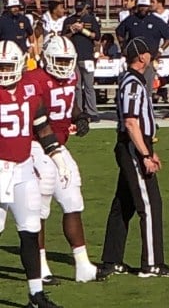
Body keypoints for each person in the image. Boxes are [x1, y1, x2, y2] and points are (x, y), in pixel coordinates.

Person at [0, 39, 73, 308]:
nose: (4, 71)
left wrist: (57, 157)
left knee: (30, 230)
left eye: (8, 66)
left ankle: (35, 294)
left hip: (22, 167)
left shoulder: (30, 90)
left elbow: (42, 127)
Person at [100, 37, 169, 278]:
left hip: (134, 145)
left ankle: (112, 260)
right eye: (148, 54)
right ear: (142, 57)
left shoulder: (131, 80)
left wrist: (150, 148)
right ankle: (152, 263)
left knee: (123, 204)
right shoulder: (133, 83)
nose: (151, 57)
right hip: (132, 148)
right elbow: (132, 122)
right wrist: (144, 153)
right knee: (150, 204)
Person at [27, 36, 99, 284]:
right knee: (39, 208)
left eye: (68, 60)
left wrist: (80, 117)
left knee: (73, 200)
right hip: (35, 146)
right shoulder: (34, 80)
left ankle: (82, 264)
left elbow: (69, 105)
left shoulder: (71, 76)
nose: (64, 65)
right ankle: (41, 266)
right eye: (59, 60)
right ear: (46, 57)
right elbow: (36, 117)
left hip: (59, 146)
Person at [115, 0, 169, 95]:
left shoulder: (156, 21)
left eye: (145, 6)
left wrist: (160, 50)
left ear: (149, 7)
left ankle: (147, 107)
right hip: (133, 59)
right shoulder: (130, 20)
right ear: (137, 7)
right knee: (133, 86)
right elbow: (119, 32)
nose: (143, 8)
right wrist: (123, 46)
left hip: (149, 59)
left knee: (147, 88)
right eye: (141, 6)